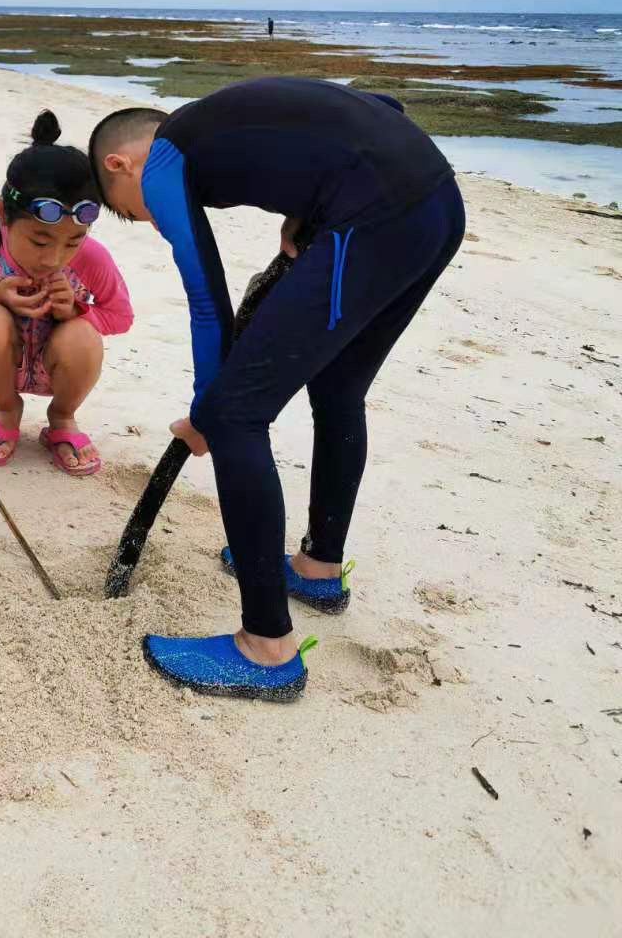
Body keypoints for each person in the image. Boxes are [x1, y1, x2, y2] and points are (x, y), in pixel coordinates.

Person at [89, 78, 464, 700]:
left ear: (120, 163)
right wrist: (310, 213)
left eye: (132, 210)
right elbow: (379, 107)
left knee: (235, 414)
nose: (149, 216)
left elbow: (207, 299)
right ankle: (317, 570)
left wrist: (209, 410)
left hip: (376, 215)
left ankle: (265, 648)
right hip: (438, 206)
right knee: (339, 388)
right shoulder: (222, 120)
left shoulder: (163, 160)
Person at [0, 111, 133, 475]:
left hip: (59, 363)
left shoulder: (91, 259)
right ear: (2, 215)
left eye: (73, 242)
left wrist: (74, 310)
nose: (54, 258)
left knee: (82, 336)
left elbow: (121, 317)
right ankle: (7, 410)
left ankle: (62, 416)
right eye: (40, 240)